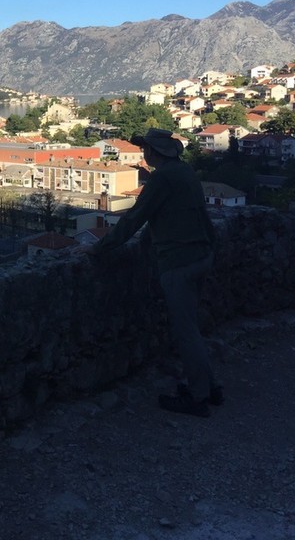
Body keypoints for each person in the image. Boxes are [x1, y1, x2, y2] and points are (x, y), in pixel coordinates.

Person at [87, 128, 220, 417]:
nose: (143, 153)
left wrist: (99, 249)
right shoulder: (185, 172)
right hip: (201, 254)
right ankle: (209, 386)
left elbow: (135, 218)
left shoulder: (163, 178)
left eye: (145, 148)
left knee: (185, 332)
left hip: (178, 261)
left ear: (153, 151)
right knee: (192, 327)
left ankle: (199, 398)